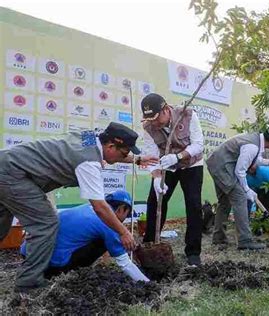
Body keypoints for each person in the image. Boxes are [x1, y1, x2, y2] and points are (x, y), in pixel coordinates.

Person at [0, 122, 158, 292]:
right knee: (46, 223)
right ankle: (28, 283)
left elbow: (106, 152)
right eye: (124, 152)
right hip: (14, 175)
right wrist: (123, 232)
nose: (124, 157)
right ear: (111, 146)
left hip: (6, 164)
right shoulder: (88, 164)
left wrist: (137, 159)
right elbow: (100, 207)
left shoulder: (89, 136)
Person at [20, 190, 149, 282]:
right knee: (103, 241)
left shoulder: (89, 207)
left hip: (30, 255)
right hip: (50, 267)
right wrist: (147, 284)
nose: (125, 218)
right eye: (127, 213)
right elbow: (125, 264)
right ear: (121, 209)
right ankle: (70, 273)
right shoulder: (108, 223)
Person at [140, 93, 204, 266]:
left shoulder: (188, 115)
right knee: (155, 200)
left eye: (156, 118)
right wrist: (156, 177)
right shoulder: (148, 128)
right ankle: (150, 244)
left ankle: (193, 252)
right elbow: (152, 156)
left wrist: (178, 157)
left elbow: (198, 144)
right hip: (167, 165)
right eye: (149, 119)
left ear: (166, 109)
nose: (154, 123)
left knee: (193, 204)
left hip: (191, 164)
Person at [206, 125, 269, 250]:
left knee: (224, 202)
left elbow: (254, 159)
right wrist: (247, 190)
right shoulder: (252, 146)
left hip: (217, 163)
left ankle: (219, 238)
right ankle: (245, 240)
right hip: (222, 167)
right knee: (240, 198)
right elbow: (240, 171)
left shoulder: (255, 140)